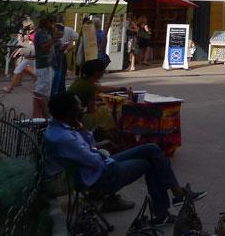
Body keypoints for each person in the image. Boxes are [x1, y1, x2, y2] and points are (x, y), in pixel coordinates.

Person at [43, 92, 205, 224]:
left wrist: (82, 130)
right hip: (99, 176)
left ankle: (174, 197)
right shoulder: (65, 138)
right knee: (152, 162)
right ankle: (168, 205)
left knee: (152, 149)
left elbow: (90, 149)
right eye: (78, 107)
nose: (82, 109)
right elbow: (93, 160)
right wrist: (101, 152)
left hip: (98, 166)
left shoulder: (59, 128)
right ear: (69, 112)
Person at [32, 15, 57, 118]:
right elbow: (43, 47)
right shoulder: (41, 33)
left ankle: (39, 115)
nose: (53, 25)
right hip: (43, 65)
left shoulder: (46, 33)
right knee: (41, 90)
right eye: (51, 23)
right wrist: (54, 39)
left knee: (44, 90)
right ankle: (40, 116)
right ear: (46, 23)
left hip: (47, 64)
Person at [2, 20, 36, 93]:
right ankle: (10, 86)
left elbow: (29, 45)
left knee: (21, 70)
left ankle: (10, 87)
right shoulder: (28, 34)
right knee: (19, 69)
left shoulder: (32, 35)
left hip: (31, 57)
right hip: (29, 57)